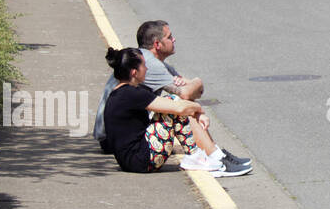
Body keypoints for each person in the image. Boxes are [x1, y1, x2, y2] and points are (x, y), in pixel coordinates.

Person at [100, 46, 251, 177]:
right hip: (142, 160)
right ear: (134, 72)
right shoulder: (131, 94)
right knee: (174, 104)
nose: (146, 69)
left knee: (174, 102)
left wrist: (195, 111)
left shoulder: (121, 93)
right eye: (144, 66)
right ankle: (197, 156)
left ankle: (206, 155)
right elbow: (177, 107)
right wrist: (199, 110)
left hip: (132, 160)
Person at [93, 21, 218, 153]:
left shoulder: (147, 61)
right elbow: (187, 93)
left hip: (119, 137)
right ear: (157, 44)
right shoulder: (149, 64)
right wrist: (197, 82)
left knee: (180, 103)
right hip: (116, 141)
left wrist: (192, 87)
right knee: (178, 103)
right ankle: (211, 154)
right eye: (169, 37)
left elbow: (194, 90)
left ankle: (211, 151)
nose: (173, 39)